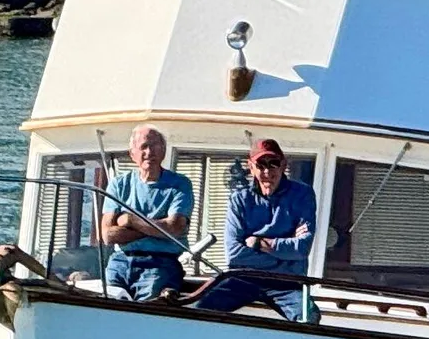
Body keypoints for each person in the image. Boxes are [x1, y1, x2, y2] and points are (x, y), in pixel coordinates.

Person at [194, 139, 315, 322]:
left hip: (287, 283)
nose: (267, 172)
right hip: (244, 279)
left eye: (273, 163)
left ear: (283, 165)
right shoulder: (239, 199)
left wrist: (258, 243)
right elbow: (234, 254)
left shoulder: (303, 194)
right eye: (261, 165)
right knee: (200, 310)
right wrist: (284, 254)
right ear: (250, 167)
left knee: (309, 317)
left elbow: (302, 248)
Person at [99, 125, 194, 301]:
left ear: (164, 150)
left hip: (160, 264)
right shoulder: (118, 185)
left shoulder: (180, 184)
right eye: (143, 147)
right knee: (104, 309)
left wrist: (130, 220)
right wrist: (157, 228)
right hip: (119, 262)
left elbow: (174, 228)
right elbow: (108, 235)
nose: (149, 152)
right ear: (132, 153)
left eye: (155, 146)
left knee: (148, 313)